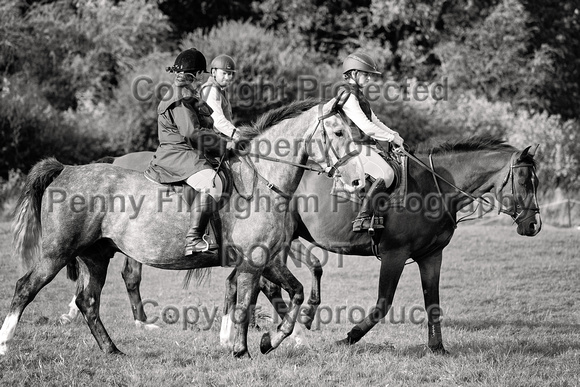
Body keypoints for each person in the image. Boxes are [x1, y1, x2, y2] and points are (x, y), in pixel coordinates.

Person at [145, 48, 228, 255]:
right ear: (198, 74)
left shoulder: (186, 93)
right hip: (178, 155)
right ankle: (194, 239)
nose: (204, 79)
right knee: (212, 183)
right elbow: (192, 132)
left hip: (187, 152)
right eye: (204, 74)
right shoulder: (180, 96)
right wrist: (224, 145)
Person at [335, 51, 405, 232]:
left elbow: (375, 121)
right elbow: (365, 126)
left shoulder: (359, 95)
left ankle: (382, 215)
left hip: (367, 146)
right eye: (365, 74)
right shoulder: (348, 95)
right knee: (386, 174)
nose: (369, 78)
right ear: (353, 73)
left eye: (369, 74)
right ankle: (363, 218)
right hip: (355, 146)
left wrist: (394, 134)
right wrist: (390, 138)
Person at [201, 54, 239, 140]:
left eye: (230, 74)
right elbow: (218, 121)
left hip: (221, 140)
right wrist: (238, 135)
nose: (227, 77)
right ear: (214, 72)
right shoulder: (210, 90)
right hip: (212, 143)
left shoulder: (221, 91)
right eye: (224, 73)